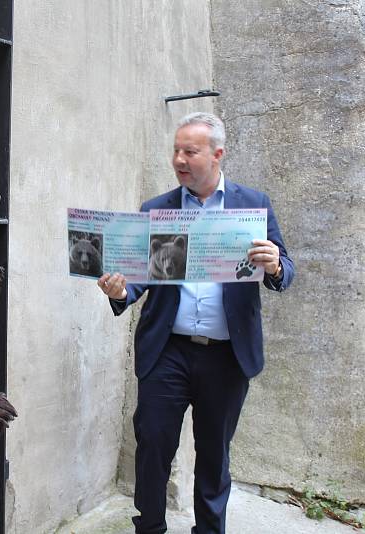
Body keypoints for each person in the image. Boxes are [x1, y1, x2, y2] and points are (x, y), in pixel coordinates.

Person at [97, 112, 294, 534]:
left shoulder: (251, 206)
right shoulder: (157, 210)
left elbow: (286, 270)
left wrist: (276, 265)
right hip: (168, 351)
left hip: (226, 356)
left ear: (217, 154)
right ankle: (148, 528)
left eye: (191, 151)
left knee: (213, 456)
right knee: (151, 446)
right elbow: (140, 278)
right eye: (176, 150)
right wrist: (120, 293)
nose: (179, 159)